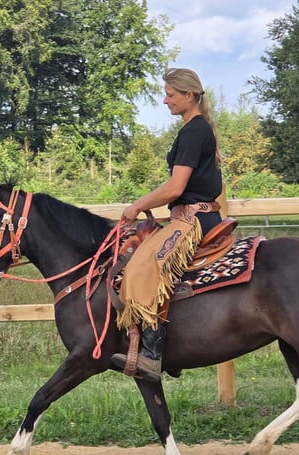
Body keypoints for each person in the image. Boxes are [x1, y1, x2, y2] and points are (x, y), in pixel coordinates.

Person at [111, 67, 224, 384]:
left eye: (171, 95)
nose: (165, 100)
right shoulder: (196, 129)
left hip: (192, 221)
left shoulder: (193, 132)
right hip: (192, 215)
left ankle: (152, 355)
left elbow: (175, 188)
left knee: (142, 268)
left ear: (189, 96)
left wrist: (137, 206)